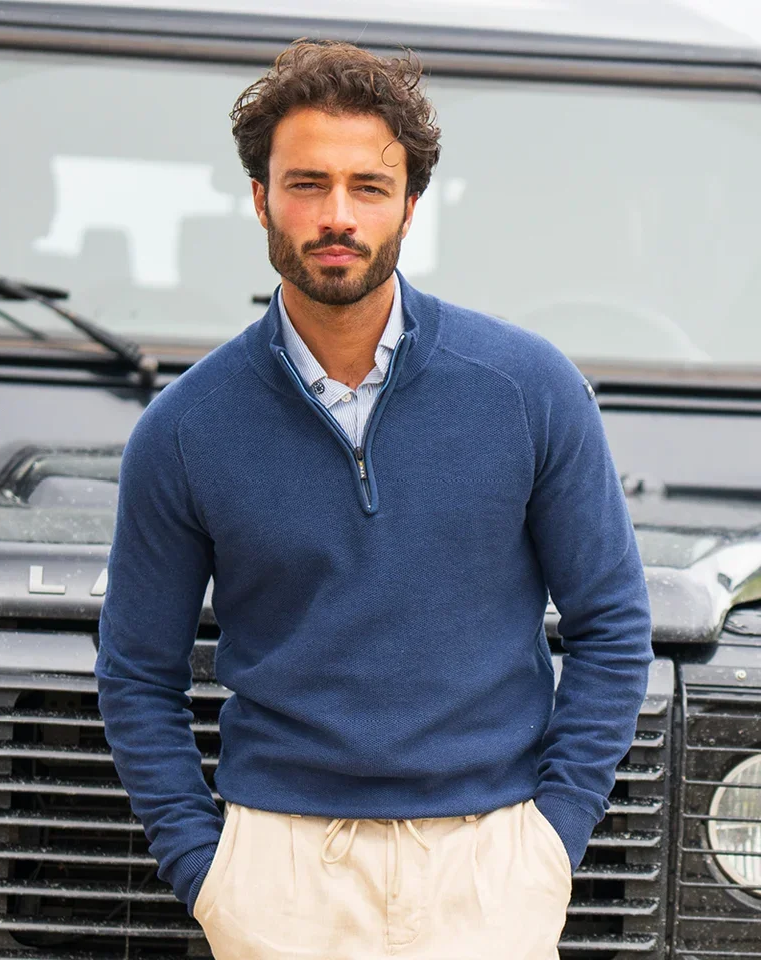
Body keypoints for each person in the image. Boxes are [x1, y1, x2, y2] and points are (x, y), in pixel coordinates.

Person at [95, 38, 653, 960]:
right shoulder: (183, 429)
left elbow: (612, 624)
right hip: (276, 873)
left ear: (411, 207)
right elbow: (136, 674)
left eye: (368, 186)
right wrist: (210, 872)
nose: (337, 216)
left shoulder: (529, 389)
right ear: (261, 198)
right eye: (307, 184)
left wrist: (550, 843)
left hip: (489, 870)